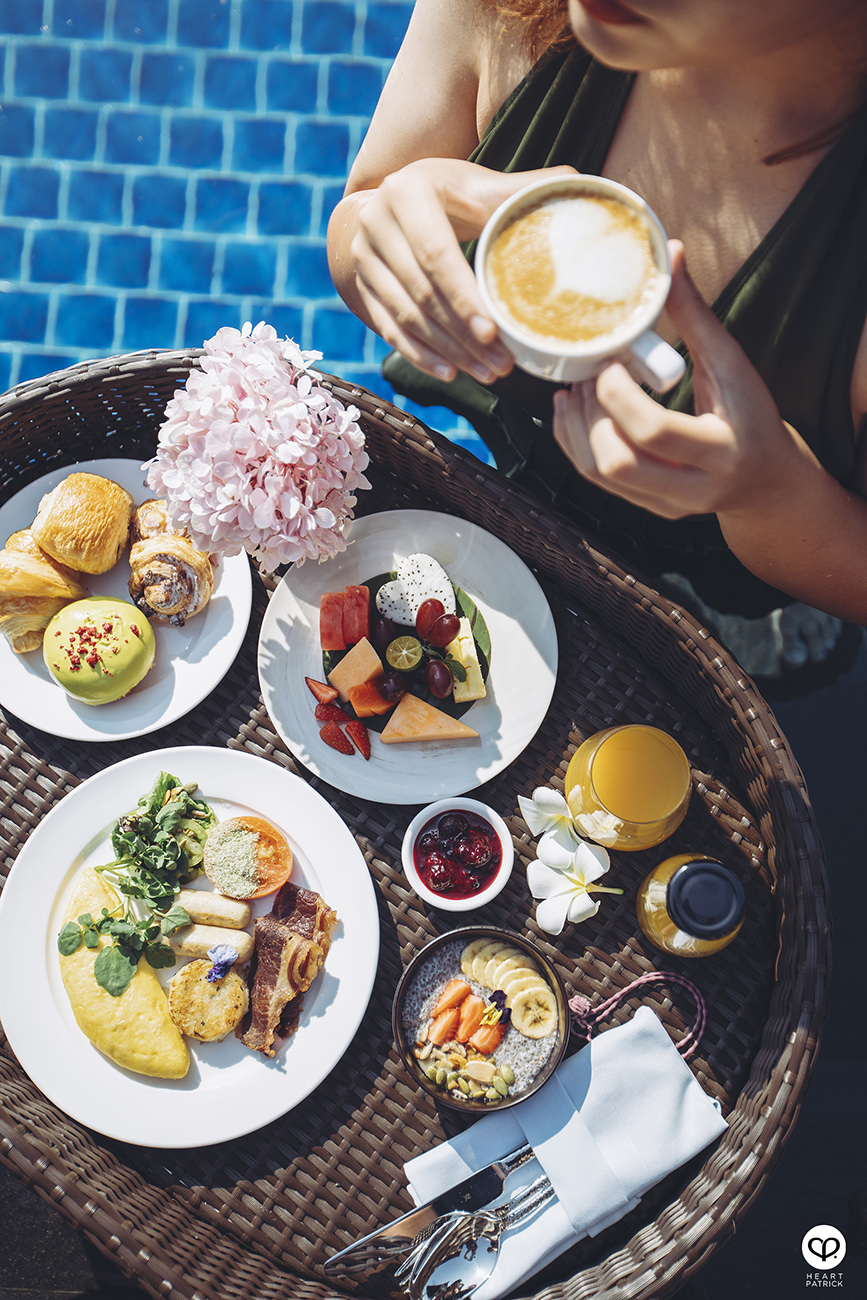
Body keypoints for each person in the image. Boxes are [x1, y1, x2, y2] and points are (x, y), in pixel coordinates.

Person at [326, 0, 867, 684]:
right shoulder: (509, 12)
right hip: (507, 484)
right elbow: (357, 217)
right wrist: (377, 226)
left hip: (728, 581)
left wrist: (770, 496)